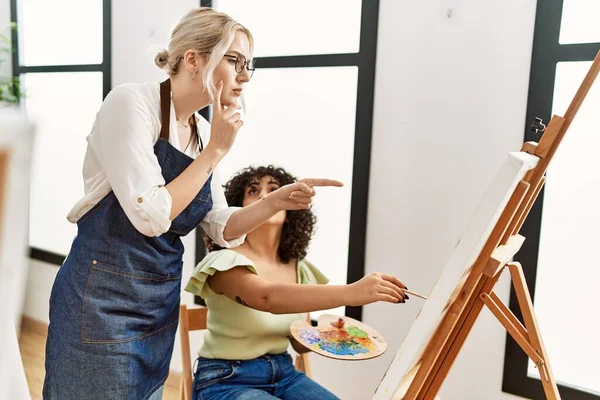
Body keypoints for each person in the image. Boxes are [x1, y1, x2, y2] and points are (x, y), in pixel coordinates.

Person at [42, 8, 341, 400]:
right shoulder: (132, 104)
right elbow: (150, 214)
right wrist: (216, 151)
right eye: (234, 61)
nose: (244, 75)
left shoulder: (200, 131)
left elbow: (219, 226)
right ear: (193, 60)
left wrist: (274, 202)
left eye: (248, 64)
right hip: (101, 303)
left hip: (157, 306)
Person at [185, 165, 409, 400]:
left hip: (285, 375)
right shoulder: (223, 261)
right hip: (226, 379)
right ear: (236, 209)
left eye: (273, 189)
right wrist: (353, 292)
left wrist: (326, 334)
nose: (266, 196)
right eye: (253, 191)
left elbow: (299, 343)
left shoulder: (299, 268)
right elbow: (267, 298)